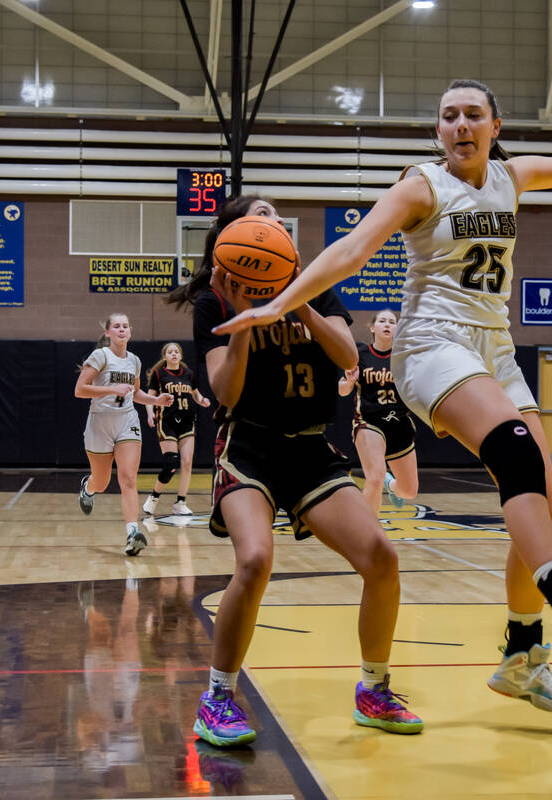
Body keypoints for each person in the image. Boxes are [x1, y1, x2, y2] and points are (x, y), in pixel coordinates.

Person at [214, 79, 552, 712]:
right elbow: (353, 250)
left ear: (495, 124)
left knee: (548, 505)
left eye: (473, 115)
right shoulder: (421, 186)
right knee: (514, 451)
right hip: (433, 341)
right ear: (438, 131)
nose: (461, 125)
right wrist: (278, 303)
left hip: (494, 346)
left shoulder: (511, 177)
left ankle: (522, 657)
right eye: (448, 117)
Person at [169, 194, 422, 747]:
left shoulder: (315, 281)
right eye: (254, 216)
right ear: (232, 237)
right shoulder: (214, 300)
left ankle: (374, 689)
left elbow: (348, 357)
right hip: (250, 447)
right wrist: (242, 318)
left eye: (273, 217)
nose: (268, 222)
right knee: (256, 560)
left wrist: (297, 297)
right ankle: (218, 698)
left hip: (310, 450)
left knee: (382, 557)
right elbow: (225, 392)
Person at [75, 313, 173, 556]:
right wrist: (111, 388)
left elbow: (135, 394)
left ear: (130, 332)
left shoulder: (135, 361)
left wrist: (156, 400)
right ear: (108, 332)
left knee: (128, 479)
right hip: (100, 423)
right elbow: (80, 390)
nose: (121, 329)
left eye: (125, 326)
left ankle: (132, 533)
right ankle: (88, 487)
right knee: (102, 482)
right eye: (116, 326)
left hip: (127, 421)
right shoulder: (100, 356)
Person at [337, 309, 419, 513]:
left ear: (397, 328)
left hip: (399, 424)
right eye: (382, 321)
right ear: (372, 327)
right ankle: (368, 537)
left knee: (409, 491)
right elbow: (342, 391)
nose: (387, 324)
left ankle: (390, 485)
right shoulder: (360, 354)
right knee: (375, 477)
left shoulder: (405, 358)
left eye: (392, 321)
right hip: (369, 422)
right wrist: (348, 382)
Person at [142, 342, 212, 517]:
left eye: (176, 351)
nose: (173, 354)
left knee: (187, 463)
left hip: (187, 423)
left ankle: (181, 502)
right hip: (167, 422)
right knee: (171, 463)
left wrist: (202, 400)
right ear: (165, 356)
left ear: (180, 356)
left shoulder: (189, 374)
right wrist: (150, 414)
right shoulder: (159, 374)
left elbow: (195, 394)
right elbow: (150, 397)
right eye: (170, 352)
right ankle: (154, 497)